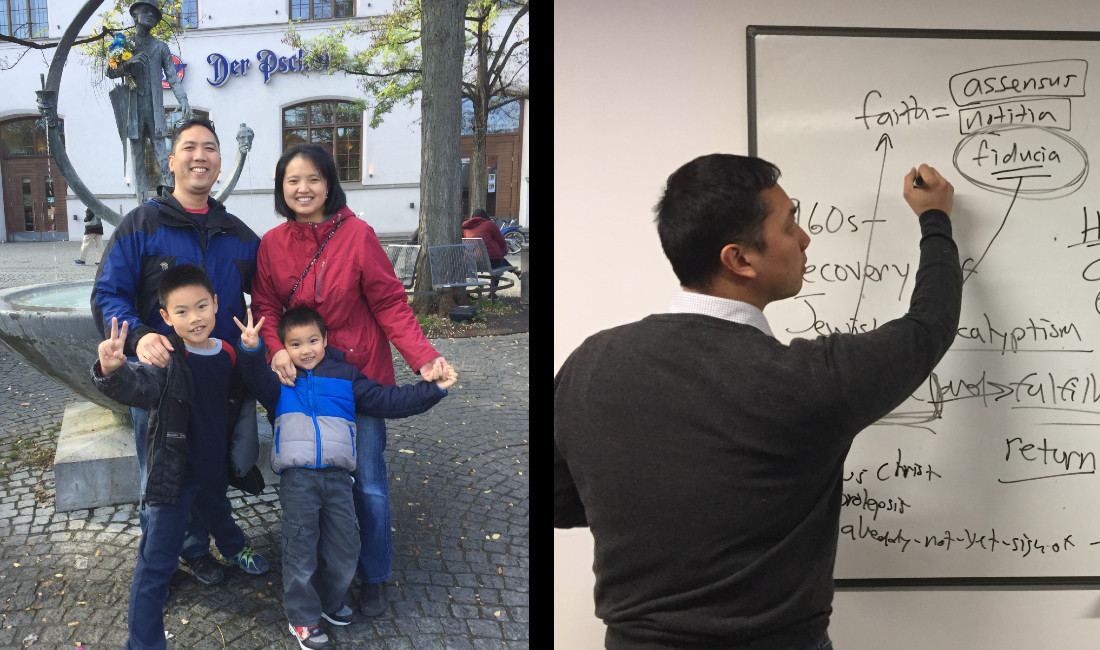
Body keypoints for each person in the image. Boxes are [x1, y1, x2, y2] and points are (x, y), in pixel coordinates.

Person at [553, 155, 962, 649]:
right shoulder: (810, 380)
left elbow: (560, 499)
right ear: (740, 259)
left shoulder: (592, 362)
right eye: (790, 225)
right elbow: (929, 326)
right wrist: (934, 219)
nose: (805, 239)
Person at [250, 143, 449, 617]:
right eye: (293, 180)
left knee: (369, 484)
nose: (304, 188)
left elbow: (389, 303)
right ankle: (322, 569)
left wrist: (423, 357)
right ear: (282, 187)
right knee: (311, 478)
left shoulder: (358, 234)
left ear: (329, 185)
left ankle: (374, 574)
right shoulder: (272, 244)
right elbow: (265, 306)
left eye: (314, 178)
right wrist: (277, 350)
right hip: (304, 382)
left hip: (357, 375)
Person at [91, 116, 266, 588]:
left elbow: (270, 293)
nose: (200, 156)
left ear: (219, 162)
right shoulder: (142, 225)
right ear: (172, 162)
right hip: (163, 378)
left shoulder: (237, 233)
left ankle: (197, 549)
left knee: (207, 469)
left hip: (216, 379)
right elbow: (108, 294)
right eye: (189, 148)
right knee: (162, 479)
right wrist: (139, 336)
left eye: (209, 148)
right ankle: (160, 567)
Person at [235, 305, 457, 649]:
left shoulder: (345, 375)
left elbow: (387, 400)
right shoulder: (281, 380)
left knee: (346, 549)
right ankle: (304, 619)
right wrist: (251, 348)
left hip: (338, 479)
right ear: (283, 348)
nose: (305, 350)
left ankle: (328, 600)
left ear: (325, 340)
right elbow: (252, 376)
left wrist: (433, 391)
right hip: (298, 481)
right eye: (295, 344)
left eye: (312, 340)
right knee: (301, 550)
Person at [91, 265, 268, 649]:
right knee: (155, 563)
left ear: (216, 304)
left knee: (220, 513)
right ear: (166, 317)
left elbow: (245, 393)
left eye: (202, 306)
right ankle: (143, 643)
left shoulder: (228, 354)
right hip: (173, 476)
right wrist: (111, 370)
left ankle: (237, 549)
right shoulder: (166, 359)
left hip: (213, 466)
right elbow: (137, 386)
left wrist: (254, 351)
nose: (194, 318)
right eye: (182, 311)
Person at [106, 0, 191, 203]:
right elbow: (110, 71)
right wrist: (128, 63)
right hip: (134, 112)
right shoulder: (124, 44)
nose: (151, 15)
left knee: (163, 158)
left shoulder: (161, 47)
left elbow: (172, 76)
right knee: (138, 161)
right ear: (135, 16)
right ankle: (142, 205)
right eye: (146, 11)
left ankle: (172, 203)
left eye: (154, 13)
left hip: (154, 111)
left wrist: (183, 98)